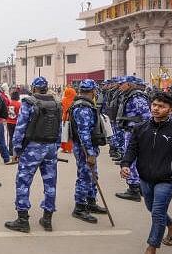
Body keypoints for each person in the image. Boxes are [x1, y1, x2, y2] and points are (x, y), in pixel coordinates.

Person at [121, 92, 172, 254]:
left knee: (157, 213)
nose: (156, 109)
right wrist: (125, 164)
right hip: (145, 179)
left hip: (166, 180)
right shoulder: (140, 128)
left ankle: (151, 247)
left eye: (161, 106)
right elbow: (132, 149)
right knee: (151, 208)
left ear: (171, 110)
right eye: (154, 105)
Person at [4, 76, 61, 233]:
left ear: (34, 88)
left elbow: (20, 127)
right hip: (50, 147)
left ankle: (23, 220)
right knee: (50, 184)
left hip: (33, 148)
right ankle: (47, 219)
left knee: (23, 182)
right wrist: (55, 147)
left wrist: (16, 149)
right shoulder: (57, 104)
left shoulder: (29, 103)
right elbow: (59, 129)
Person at [69, 79, 109, 224]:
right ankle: (79, 207)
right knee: (85, 176)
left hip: (88, 147)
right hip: (84, 148)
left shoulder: (84, 104)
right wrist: (89, 153)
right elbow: (83, 133)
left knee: (93, 176)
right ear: (93, 92)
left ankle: (91, 202)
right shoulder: (83, 108)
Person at [115, 76, 151, 201]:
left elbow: (146, 116)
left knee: (130, 159)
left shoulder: (137, 97)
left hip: (134, 132)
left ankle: (133, 189)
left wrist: (142, 132)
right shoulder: (129, 95)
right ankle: (138, 187)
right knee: (134, 159)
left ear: (129, 84)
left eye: (122, 84)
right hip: (132, 131)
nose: (119, 86)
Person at [60, 85, 77, 153]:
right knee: (70, 134)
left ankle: (64, 148)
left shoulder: (64, 100)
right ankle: (70, 148)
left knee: (64, 133)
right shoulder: (75, 101)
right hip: (72, 118)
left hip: (65, 118)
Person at [6, 91, 21, 159]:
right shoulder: (19, 104)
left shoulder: (9, 103)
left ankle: (10, 151)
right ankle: (16, 151)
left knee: (11, 136)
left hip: (9, 121)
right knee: (16, 137)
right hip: (16, 122)